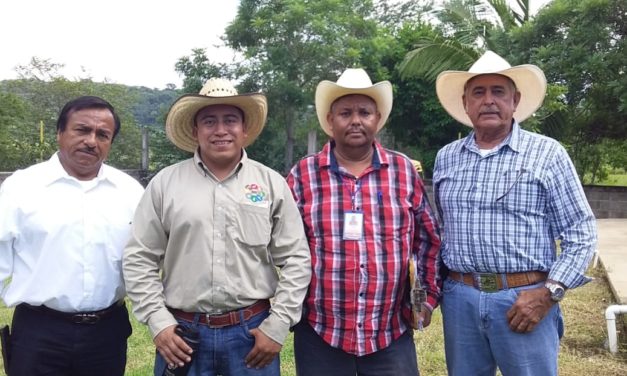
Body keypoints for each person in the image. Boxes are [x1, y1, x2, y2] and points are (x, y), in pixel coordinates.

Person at [123, 78, 311, 376]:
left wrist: (277, 325)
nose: (221, 130)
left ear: (244, 129)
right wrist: (159, 322)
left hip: (251, 337)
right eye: (209, 121)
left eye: (230, 120)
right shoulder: (165, 184)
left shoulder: (271, 183)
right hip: (183, 336)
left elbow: (296, 259)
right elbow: (139, 258)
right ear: (195, 130)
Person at [433, 51, 597, 375]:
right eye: (479, 92)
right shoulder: (447, 158)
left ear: (515, 100)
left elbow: (582, 231)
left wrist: (549, 293)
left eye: (499, 92)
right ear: (465, 103)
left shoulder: (547, 153)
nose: (489, 101)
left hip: (524, 300)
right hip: (460, 300)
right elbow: (441, 230)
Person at [287, 68, 441, 376]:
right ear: (330, 121)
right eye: (345, 112)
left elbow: (428, 240)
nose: (355, 120)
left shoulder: (403, 171)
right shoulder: (303, 175)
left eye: (364, 112)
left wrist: (426, 299)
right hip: (320, 331)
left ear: (377, 118)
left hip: (389, 331)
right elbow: (282, 248)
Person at [0, 96, 145, 375]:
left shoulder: (130, 192)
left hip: (107, 332)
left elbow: (146, 259)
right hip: (39, 332)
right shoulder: (22, 187)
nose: (91, 141)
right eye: (81, 130)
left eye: (103, 134)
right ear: (60, 133)